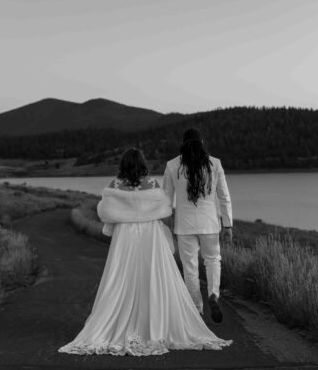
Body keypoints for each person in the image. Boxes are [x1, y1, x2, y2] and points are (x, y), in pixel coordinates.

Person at [59, 148, 232, 356]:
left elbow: (106, 213)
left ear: (123, 164)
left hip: (125, 237)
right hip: (151, 236)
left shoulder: (114, 185)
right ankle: (156, 322)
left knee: (122, 278)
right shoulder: (152, 184)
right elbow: (164, 208)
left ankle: (119, 322)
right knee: (153, 278)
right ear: (142, 164)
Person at [162, 128, 232, 322]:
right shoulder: (215, 164)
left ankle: (196, 310)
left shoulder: (172, 165)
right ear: (202, 142)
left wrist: (166, 223)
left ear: (183, 144)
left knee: (190, 267)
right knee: (213, 259)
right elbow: (224, 197)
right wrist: (228, 225)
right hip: (210, 223)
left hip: (184, 226)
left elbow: (166, 198)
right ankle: (213, 295)